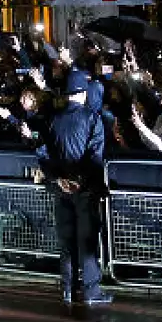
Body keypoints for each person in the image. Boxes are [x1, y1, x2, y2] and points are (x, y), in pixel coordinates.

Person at [38, 70, 112, 306]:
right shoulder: (92, 117)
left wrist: (58, 178)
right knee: (87, 240)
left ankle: (68, 288)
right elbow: (94, 154)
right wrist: (81, 180)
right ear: (83, 92)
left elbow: (42, 152)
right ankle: (91, 291)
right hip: (85, 188)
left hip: (61, 187)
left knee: (67, 239)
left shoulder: (52, 119)